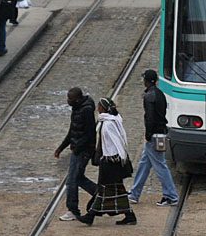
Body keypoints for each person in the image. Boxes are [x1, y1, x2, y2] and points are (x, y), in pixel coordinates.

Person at [79, 97, 136, 226]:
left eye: (99, 106)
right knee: (116, 190)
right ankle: (129, 215)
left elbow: (116, 143)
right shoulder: (108, 120)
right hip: (111, 162)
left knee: (103, 190)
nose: (97, 108)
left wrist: (111, 159)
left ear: (103, 108)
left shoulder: (109, 124)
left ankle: (91, 215)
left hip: (111, 163)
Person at [128, 70, 179, 206]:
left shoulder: (149, 96)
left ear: (146, 80)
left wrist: (148, 134)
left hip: (154, 136)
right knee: (144, 164)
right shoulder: (159, 93)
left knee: (160, 165)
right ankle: (134, 194)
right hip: (160, 133)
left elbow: (150, 117)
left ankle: (171, 196)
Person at [54, 88, 98, 222]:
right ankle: (98, 193)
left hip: (83, 150)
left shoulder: (86, 110)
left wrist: (78, 147)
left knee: (72, 180)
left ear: (77, 99)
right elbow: (72, 130)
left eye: (70, 99)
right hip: (77, 148)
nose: (68, 101)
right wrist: (62, 147)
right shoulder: (77, 108)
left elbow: (90, 133)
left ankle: (73, 210)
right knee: (76, 178)